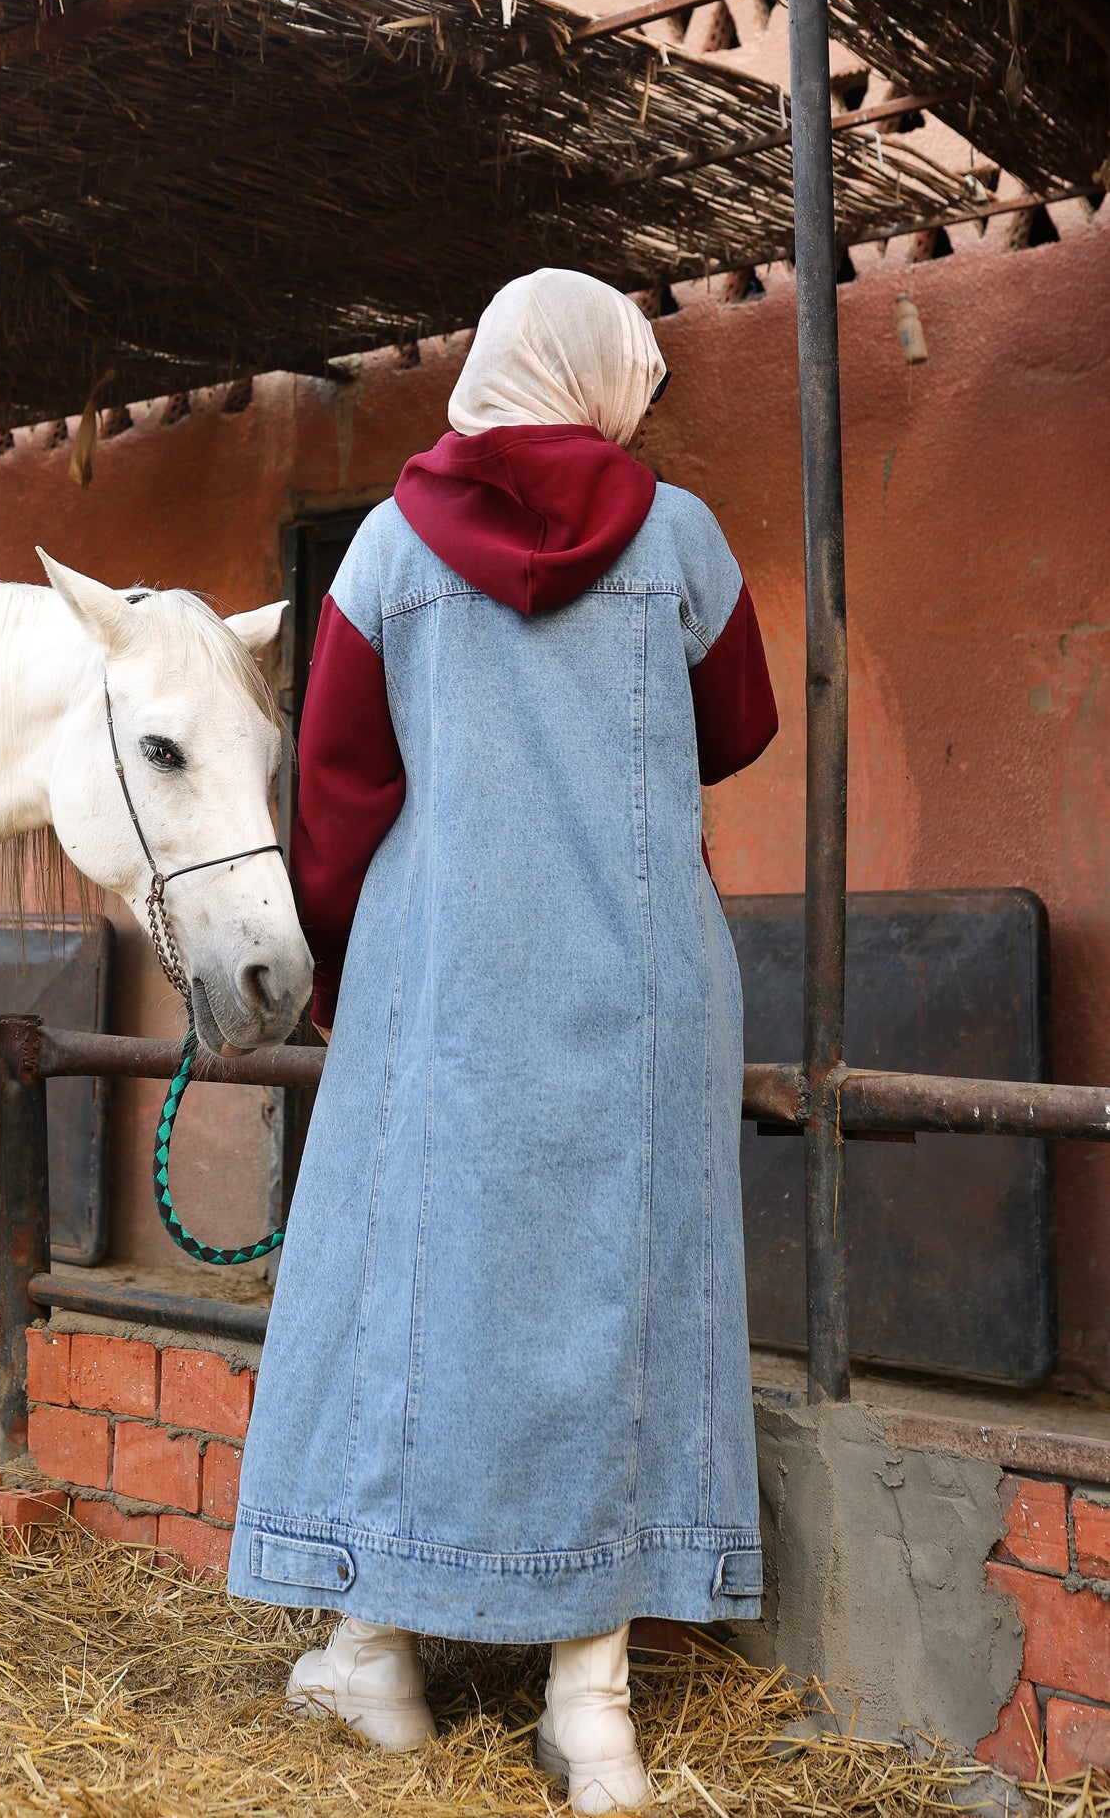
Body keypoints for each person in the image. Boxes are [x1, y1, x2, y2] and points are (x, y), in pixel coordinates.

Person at [227, 268, 779, 1814]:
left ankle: (375, 1656)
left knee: (419, 1282)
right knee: (621, 1281)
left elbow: (333, 790)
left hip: (440, 975)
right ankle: (591, 1710)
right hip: (642, 972)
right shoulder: (676, 538)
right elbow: (737, 725)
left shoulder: (387, 552)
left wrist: (346, 971)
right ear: (598, 378)